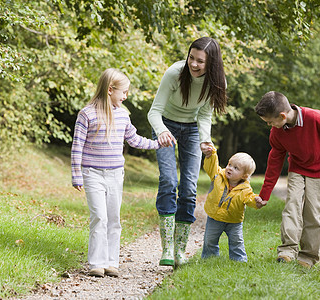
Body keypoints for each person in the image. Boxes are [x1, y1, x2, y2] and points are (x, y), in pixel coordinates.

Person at [71, 68, 162, 278]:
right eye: (124, 92)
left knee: (114, 218)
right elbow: (77, 147)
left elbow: (134, 139)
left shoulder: (122, 115)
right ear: (110, 90)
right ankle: (96, 262)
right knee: (99, 217)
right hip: (92, 173)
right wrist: (76, 175)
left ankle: (111, 262)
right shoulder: (87, 114)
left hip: (115, 175)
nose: (126, 96)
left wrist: (158, 144)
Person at [147, 37, 228, 267]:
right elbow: (154, 112)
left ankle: (180, 249)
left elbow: (204, 115)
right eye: (191, 58)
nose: (193, 64)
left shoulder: (216, 81)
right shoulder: (175, 73)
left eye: (200, 61)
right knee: (168, 180)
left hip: (192, 130)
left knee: (189, 188)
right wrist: (161, 131)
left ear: (211, 63)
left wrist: (205, 140)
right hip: (165, 125)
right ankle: (167, 248)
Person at [254, 91, 320, 268]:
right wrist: (265, 194)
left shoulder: (315, 118)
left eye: (270, 122)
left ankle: (308, 256)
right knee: (292, 207)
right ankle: (287, 250)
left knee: (314, 213)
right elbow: (274, 161)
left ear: (282, 115)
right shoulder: (277, 132)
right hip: (298, 169)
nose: (269, 125)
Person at [200, 145, 264, 262]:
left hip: (234, 221)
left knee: (236, 242)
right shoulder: (218, 176)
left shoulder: (245, 189)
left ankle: (239, 260)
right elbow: (211, 167)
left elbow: (250, 198)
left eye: (236, 168)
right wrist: (211, 155)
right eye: (229, 164)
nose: (230, 168)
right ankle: (210, 258)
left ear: (244, 176)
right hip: (215, 217)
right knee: (210, 240)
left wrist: (256, 202)